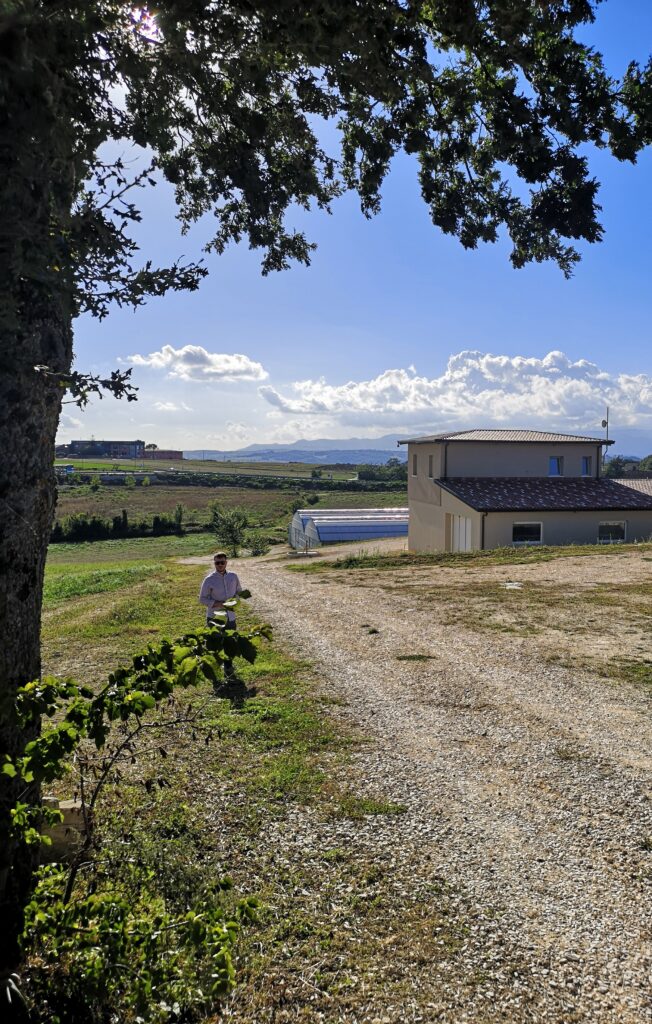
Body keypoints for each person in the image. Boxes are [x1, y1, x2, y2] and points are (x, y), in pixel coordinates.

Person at [199, 552, 243, 680]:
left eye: (222, 562)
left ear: (226, 563)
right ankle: (214, 671)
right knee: (215, 645)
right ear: (214, 564)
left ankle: (228, 669)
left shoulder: (233, 577)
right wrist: (217, 604)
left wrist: (235, 600)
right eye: (217, 563)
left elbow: (239, 592)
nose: (220, 565)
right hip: (214, 618)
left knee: (230, 643)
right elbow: (202, 599)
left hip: (230, 616)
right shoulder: (209, 579)